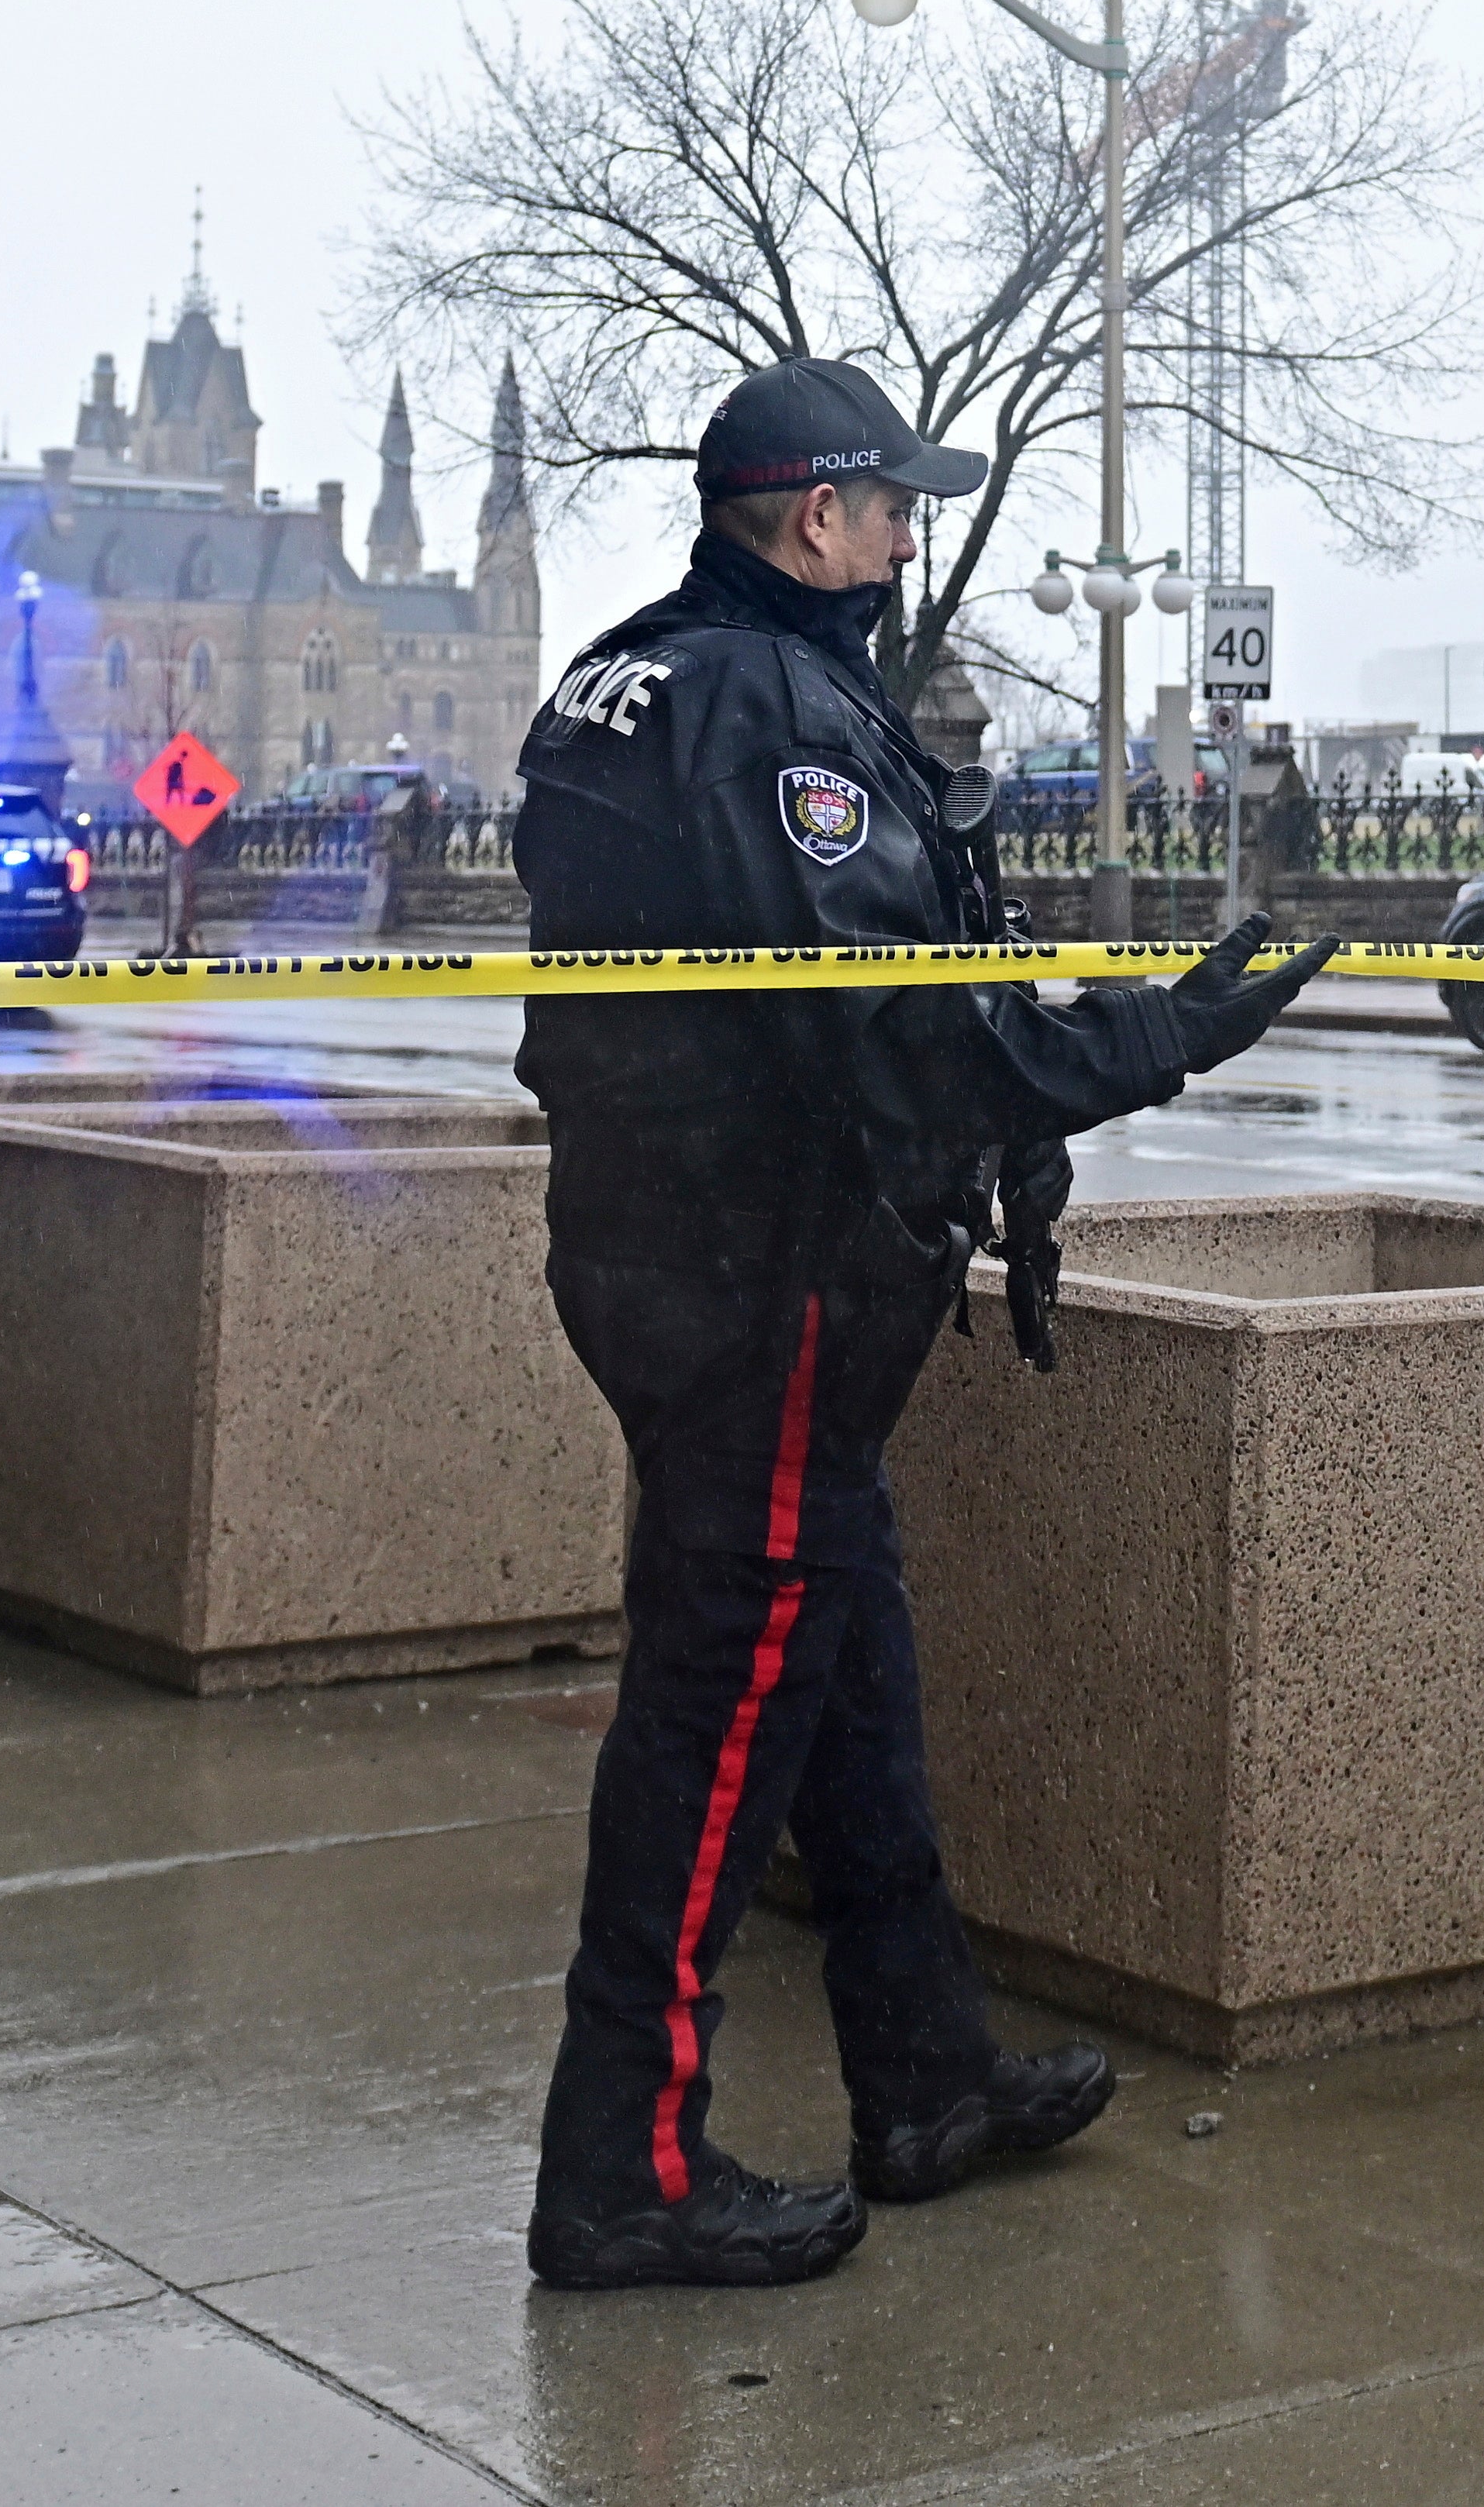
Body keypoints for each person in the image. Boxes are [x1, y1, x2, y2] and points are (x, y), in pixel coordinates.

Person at [511, 356, 1338, 2290]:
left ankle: (924, 2074)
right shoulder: (770, 707)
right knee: (722, 1701)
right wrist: (1164, 1036)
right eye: (892, 511)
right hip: (763, 1267)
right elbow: (898, 1038)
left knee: (844, 1653)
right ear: (817, 517)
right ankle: (623, 2162)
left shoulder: (625, 674)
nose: (905, 545)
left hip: (667, 1243)